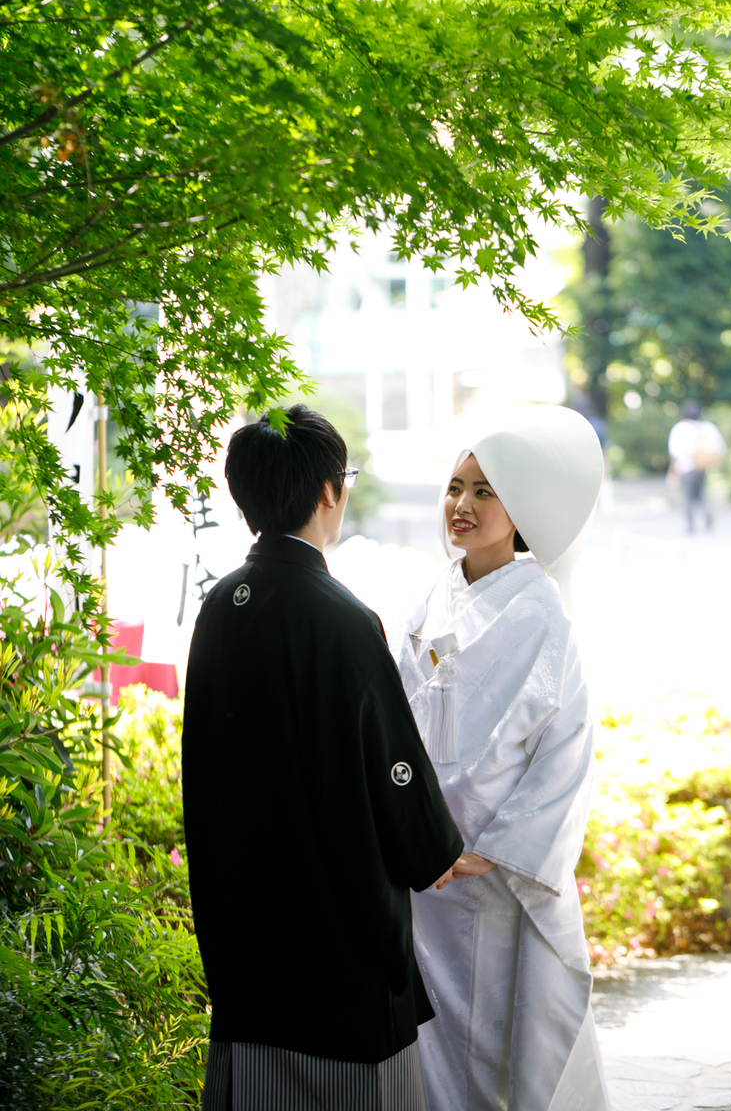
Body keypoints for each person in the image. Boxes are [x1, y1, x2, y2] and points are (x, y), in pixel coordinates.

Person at [182, 405, 463, 1111]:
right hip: (337, 933)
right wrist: (434, 849)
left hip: (243, 923)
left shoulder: (218, 606)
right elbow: (391, 766)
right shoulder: (341, 616)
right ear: (328, 492)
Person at [391, 405, 610, 1111]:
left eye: (485, 491)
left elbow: (566, 747)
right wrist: (409, 826)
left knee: (491, 1039)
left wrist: (500, 846)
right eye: (456, 486)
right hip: (429, 865)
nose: (462, 505)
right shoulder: (435, 594)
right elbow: (398, 717)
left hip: (493, 872)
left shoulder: (540, 611)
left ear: (520, 511)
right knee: (431, 1038)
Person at [668, 400, 726, 532]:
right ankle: (706, 511)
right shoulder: (708, 427)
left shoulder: (680, 428)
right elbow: (720, 448)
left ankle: (690, 525)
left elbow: (674, 451)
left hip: (686, 467)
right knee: (699, 494)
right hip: (703, 467)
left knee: (688, 497)